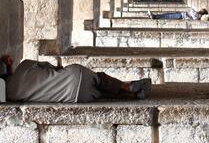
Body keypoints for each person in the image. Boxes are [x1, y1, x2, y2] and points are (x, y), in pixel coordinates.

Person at [0, 55, 152, 104]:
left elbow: (11, 85)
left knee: (101, 94)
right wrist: (10, 66)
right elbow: (50, 67)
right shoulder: (24, 66)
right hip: (75, 75)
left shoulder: (12, 96)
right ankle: (127, 86)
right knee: (101, 79)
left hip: (75, 97)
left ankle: (132, 95)